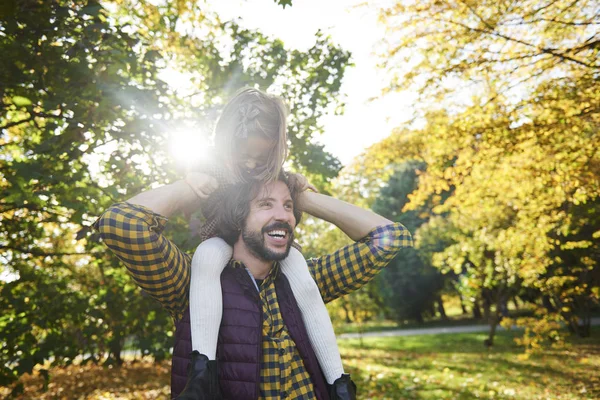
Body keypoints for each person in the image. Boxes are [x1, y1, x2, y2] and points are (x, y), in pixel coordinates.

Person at [94, 88, 353, 397]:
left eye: (261, 156)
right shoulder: (212, 169)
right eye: (245, 154)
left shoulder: (275, 176)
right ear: (226, 142)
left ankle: (338, 381)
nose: (251, 163)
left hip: (267, 250)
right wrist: (188, 184)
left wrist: (300, 191)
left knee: (306, 284)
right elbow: (135, 220)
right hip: (220, 240)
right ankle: (203, 368)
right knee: (205, 258)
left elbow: (385, 238)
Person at [95, 172, 413, 399]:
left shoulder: (307, 279)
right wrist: (188, 187)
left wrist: (308, 199)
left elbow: (389, 239)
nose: (284, 216)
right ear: (238, 218)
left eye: (288, 207)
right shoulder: (188, 283)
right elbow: (122, 225)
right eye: (265, 204)